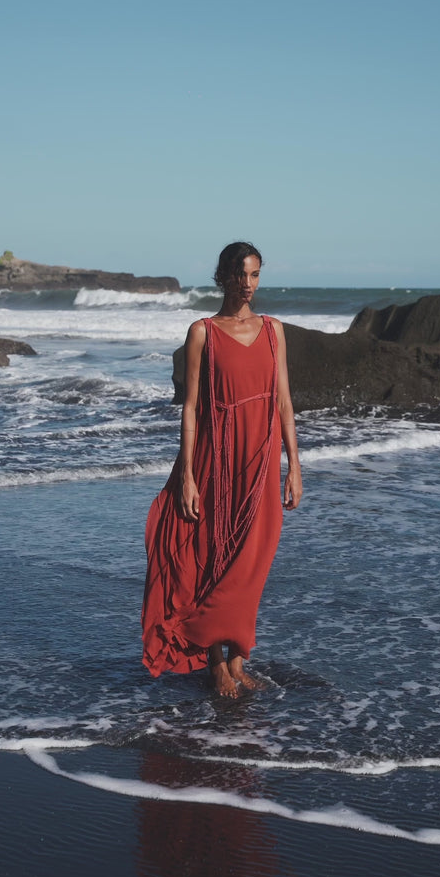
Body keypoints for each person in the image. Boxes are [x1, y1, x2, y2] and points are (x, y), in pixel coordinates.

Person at [141, 242, 302, 698]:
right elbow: (191, 407)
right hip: (218, 458)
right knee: (215, 555)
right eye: (240, 275)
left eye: (255, 275)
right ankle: (217, 662)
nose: (248, 284)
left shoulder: (273, 330)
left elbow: (284, 402)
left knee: (253, 559)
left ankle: (238, 658)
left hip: (261, 459)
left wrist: (294, 465)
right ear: (224, 277)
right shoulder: (203, 332)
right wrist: (188, 474)